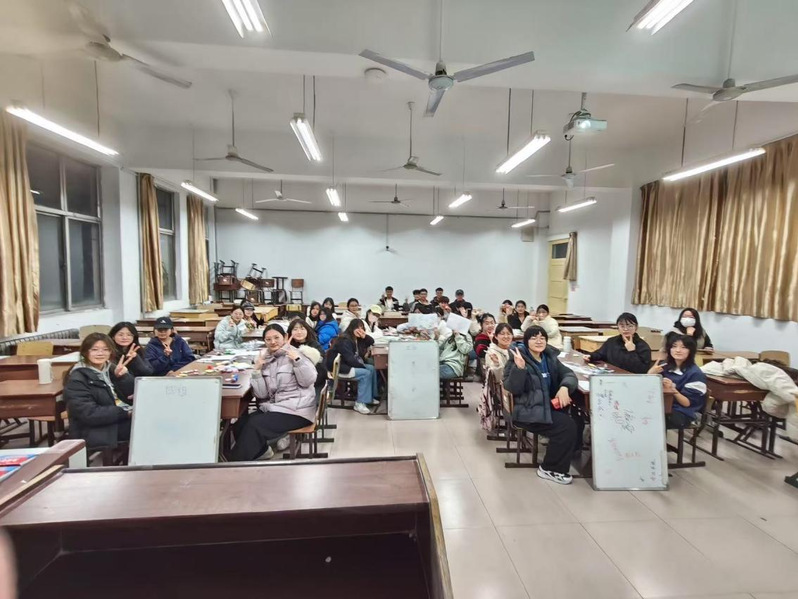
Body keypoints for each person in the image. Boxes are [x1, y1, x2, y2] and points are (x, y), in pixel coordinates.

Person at [503, 326, 578, 485]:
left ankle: (566, 454)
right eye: (534, 338)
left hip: (545, 406)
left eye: (542, 338)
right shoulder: (517, 358)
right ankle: (550, 468)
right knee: (566, 426)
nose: (539, 341)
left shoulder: (548, 357)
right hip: (527, 411)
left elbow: (569, 374)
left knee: (576, 420)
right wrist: (520, 368)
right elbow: (512, 388)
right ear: (526, 341)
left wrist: (565, 387)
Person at [231, 324, 317, 461]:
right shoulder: (266, 358)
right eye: (268, 339)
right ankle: (262, 452)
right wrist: (257, 371)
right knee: (240, 424)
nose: (273, 342)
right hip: (278, 406)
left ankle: (233, 465)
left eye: (277, 337)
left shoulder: (297, 354)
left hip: (298, 409)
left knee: (254, 425)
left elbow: (308, 381)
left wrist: (297, 361)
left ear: (286, 337)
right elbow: (261, 395)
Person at [63, 333, 136, 450]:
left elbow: (133, 393)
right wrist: (125, 413)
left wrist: (123, 377)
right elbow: (88, 413)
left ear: (111, 352)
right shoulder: (77, 377)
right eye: (95, 350)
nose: (100, 353)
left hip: (114, 418)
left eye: (105, 349)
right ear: (85, 352)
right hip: (95, 429)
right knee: (146, 427)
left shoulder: (111, 368)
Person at [649, 334, 707, 429]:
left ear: (691, 351)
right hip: (664, 405)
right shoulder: (665, 366)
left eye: (683, 347)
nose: (678, 350)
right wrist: (651, 373)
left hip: (683, 412)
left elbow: (687, 403)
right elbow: (648, 386)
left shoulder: (695, 374)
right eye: (674, 346)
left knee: (651, 418)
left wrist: (673, 390)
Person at [326, 319, 379, 415]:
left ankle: (370, 397)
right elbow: (350, 359)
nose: (360, 330)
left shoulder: (357, 339)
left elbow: (371, 341)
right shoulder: (345, 340)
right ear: (352, 328)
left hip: (349, 364)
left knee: (371, 368)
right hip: (341, 368)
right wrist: (362, 367)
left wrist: (365, 336)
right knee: (366, 373)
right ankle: (359, 403)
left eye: (362, 328)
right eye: (357, 328)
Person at [586, 313, 652, 374]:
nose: (626, 329)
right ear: (618, 327)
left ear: (636, 327)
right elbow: (600, 354)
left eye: (630, 326)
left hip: (631, 379)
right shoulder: (611, 341)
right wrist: (591, 356)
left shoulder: (643, 346)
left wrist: (631, 351)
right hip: (611, 375)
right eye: (622, 326)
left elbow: (642, 370)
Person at [286, 319, 327, 396]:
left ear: (307, 330)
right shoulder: (288, 347)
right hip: (291, 385)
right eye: (295, 329)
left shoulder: (315, 346)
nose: (299, 332)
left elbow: (322, 370)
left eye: (302, 329)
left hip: (312, 384)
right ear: (290, 332)